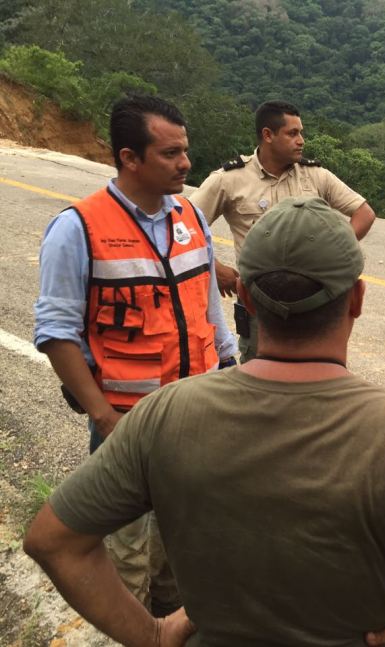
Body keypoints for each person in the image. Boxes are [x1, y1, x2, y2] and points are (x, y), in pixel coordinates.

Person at [24, 197, 385, 647]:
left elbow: (54, 541)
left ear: (245, 298)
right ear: (357, 300)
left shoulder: (165, 414)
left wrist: (151, 635)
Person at [32, 94, 238, 617]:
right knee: (126, 555)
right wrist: (103, 416)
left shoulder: (190, 215)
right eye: (170, 154)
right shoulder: (78, 228)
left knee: (182, 545)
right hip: (126, 425)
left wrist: (232, 369)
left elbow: (208, 302)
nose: (186, 164)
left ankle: (169, 625)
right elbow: (57, 332)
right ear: (129, 158)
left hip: (196, 416)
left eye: (185, 150)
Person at [189, 100, 376, 361]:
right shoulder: (230, 179)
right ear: (268, 135)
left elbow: (364, 213)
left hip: (314, 299)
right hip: (258, 301)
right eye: (292, 133)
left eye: (301, 133)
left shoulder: (315, 175)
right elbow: (184, 225)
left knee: (316, 368)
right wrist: (214, 267)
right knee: (260, 372)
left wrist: (333, 250)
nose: (301, 140)